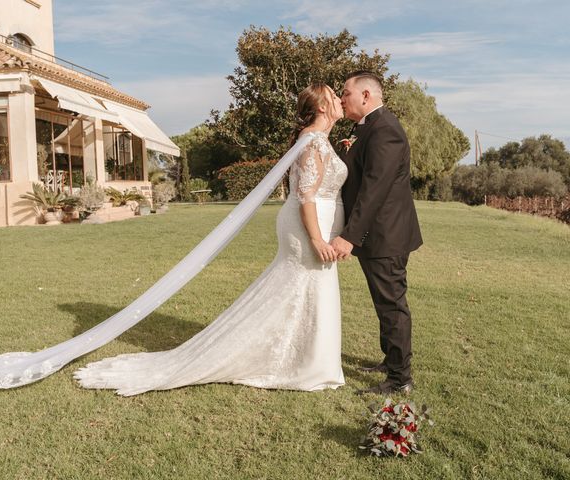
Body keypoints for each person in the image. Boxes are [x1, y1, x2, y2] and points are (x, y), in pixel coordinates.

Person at [74, 84, 348, 395]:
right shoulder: (312, 144)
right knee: (300, 286)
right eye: (334, 96)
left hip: (319, 226)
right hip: (307, 228)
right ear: (322, 107)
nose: (340, 99)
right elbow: (306, 198)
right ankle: (301, 363)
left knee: (307, 289)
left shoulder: (320, 141)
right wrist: (316, 239)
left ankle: (307, 358)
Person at [330, 71, 423, 395]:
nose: (342, 99)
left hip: (386, 236)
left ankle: (400, 379)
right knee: (384, 303)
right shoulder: (364, 128)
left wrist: (349, 236)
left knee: (392, 305)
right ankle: (391, 361)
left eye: (346, 93)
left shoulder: (385, 130)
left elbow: (375, 189)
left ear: (366, 96)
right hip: (378, 236)